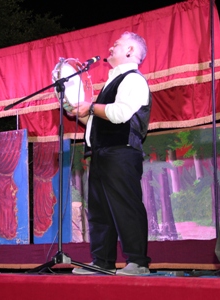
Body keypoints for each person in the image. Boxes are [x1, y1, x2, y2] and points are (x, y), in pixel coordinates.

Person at [68, 32, 152, 275]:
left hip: (122, 152)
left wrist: (91, 107)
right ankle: (102, 262)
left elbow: (121, 114)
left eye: (118, 44)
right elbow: (97, 123)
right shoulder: (110, 83)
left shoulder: (134, 79)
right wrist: (79, 111)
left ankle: (138, 262)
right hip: (102, 153)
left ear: (130, 52)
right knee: (99, 210)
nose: (111, 46)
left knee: (126, 206)